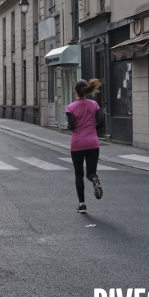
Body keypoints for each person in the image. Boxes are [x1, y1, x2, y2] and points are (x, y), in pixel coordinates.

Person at [66, 78, 105, 213]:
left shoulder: (70, 107)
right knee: (91, 172)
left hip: (77, 144)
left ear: (75, 91)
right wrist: (91, 129)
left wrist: (69, 125)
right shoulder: (94, 104)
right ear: (87, 91)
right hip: (93, 143)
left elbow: (72, 126)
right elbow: (101, 123)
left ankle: (82, 204)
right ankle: (95, 179)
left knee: (79, 175)